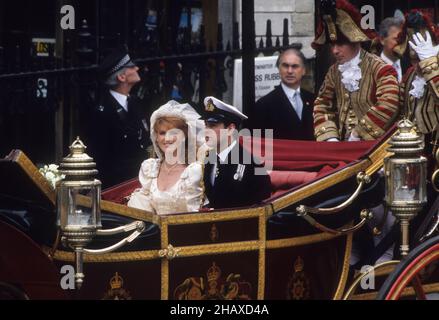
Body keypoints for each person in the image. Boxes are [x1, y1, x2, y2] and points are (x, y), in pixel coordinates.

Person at [312, 0, 400, 142]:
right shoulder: (334, 72)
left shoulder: (380, 69)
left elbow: (389, 102)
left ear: (355, 40)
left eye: (340, 44)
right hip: (341, 146)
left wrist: (359, 133)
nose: (335, 51)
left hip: (374, 148)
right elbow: (322, 105)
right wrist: (331, 138)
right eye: (332, 45)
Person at [128, 101, 207, 215]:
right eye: (162, 133)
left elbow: (196, 217)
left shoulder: (194, 172)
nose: (167, 139)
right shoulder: (150, 168)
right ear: (156, 137)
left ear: (185, 135)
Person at [90, 48, 151, 188]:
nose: (137, 67)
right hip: (115, 186)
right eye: (131, 66)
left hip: (138, 181)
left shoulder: (135, 102)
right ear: (122, 77)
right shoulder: (103, 111)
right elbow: (101, 157)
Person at [202, 96, 272, 209]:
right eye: (206, 125)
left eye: (212, 125)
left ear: (230, 129)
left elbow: (262, 205)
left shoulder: (251, 163)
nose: (206, 130)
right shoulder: (209, 158)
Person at [247, 48, 315, 140]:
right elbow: (257, 146)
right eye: (285, 66)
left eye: (295, 66)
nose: (290, 71)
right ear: (278, 69)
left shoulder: (313, 100)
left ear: (304, 70)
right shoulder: (264, 105)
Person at [377, 17, 406, 82]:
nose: (401, 43)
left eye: (403, 39)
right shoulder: (372, 66)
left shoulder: (410, 66)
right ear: (382, 40)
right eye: (396, 39)